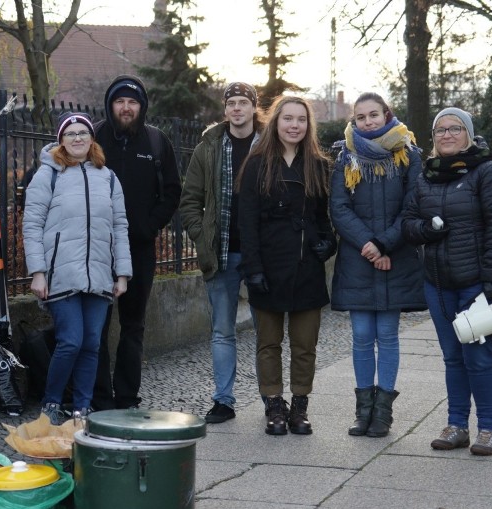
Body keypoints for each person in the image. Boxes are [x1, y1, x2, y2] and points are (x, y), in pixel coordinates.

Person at [401, 107, 492, 456]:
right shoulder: (426, 176)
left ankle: (487, 429)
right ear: (433, 137)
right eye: (440, 130)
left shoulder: (487, 172)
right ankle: (456, 425)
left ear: (468, 134)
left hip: (477, 284)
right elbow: (408, 221)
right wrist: (426, 231)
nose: (447, 135)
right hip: (438, 284)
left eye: (455, 128)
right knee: (452, 357)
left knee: (479, 358)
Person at [23, 112, 132, 423]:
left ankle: (82, 409)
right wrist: (38, 272)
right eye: (70, 133)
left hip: (99, 274)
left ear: (91, 138)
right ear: (61, 140)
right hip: (60, 274)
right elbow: (31, 225)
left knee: (91, 344)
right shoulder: (48, 176)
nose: (77, 138)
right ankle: (51, 403)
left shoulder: (108, 177)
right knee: (70, 341)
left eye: (83, 132)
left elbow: (119, 226)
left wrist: (122, 273)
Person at [238, 95, 336, 436]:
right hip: (267, 265)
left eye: (301, 119)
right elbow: (246, 223)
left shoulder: (319, 165)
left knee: (305, 344)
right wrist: (253, 269)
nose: (294, 125)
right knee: (268, 343)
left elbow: (324, 218)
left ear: (308, 126)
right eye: (288, 119)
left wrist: (328, 242)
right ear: (276, 122)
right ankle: (273, 403)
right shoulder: (256, 165)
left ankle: (300, 405)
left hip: (306, 267)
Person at [330, 93, 426, 438]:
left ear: (387, 114)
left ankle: (383, 414)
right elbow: (339, 207)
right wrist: (370, 246)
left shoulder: (408, 153)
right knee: (360, 336)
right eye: (361, 117)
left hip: (395, 257)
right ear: (353, 122)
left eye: (374, 115)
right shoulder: (346, 156)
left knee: (387, 336)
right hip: (359, 258)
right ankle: (363, 411)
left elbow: (413, 205)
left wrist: (385, 243)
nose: (368, 122)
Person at [92, 75, 182, 410]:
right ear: (110, 104)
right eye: (120, 101)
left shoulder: (157, 142)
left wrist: (149, 225)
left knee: (133, 326)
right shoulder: (93, 137)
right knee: (96, 326)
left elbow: (172, 190)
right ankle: (100, 398)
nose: (126, 108)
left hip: (139, 249)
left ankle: (127, 396)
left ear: (141, 107)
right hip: (97, 249)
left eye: (133, 102)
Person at [180, 82, 262, 423]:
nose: (238, 109)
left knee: (267, 332)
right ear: (225, 109)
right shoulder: (209, 146)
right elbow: (189, 201)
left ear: (254, 107)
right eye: (232, 103)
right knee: (222, 330)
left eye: (244, 102)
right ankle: (224, 401)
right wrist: (202, 238)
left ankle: (270, 398)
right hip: (222, 252)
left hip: (263, 255)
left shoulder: (269, 144)